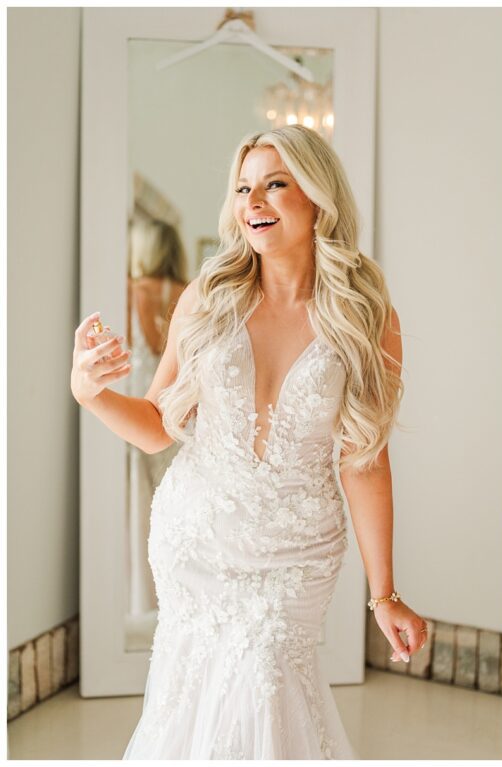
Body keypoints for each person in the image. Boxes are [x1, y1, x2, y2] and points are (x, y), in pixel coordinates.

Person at [70, 125, 427, 759]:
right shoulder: (208, 300)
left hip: (296, 554)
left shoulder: (367, 317)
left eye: (274, 184)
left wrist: (385, 593)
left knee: (268, 683)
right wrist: (90, 393)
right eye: (243, 188)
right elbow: (156, 428)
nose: (252, 201)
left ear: (318, 197)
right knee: (194, 702)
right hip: (198, 538)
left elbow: (365, 461)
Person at [124, 218, 187, 632]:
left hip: (136, 415)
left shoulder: (129, 292)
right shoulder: (186, 294)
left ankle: (143, 595)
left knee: (139, 505)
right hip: (177, 416)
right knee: (174, 506)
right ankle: (177, 590)